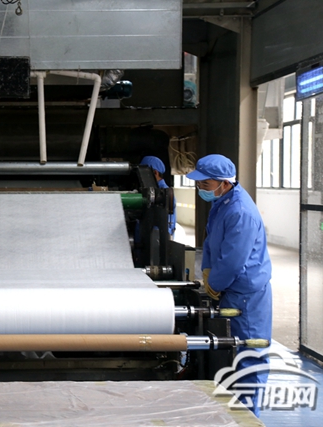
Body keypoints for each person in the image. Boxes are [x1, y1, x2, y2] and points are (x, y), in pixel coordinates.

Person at [187, 154, 272, 417]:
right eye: (199, 183)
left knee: (249, 354)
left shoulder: (240, 211)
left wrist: (215, 282)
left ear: (224, 183)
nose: (201, 188)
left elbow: (234, 260)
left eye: (206, 184)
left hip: (246, 294)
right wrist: (207, 270)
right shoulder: (222, 202)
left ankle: (249, 417)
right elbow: (212, 241)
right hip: (232, 289)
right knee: (231, 351)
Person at [139, 156, 176, 238]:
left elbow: (167, 222)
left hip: (157, 238)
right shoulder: (148, 189)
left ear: (155, 173)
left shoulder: (166, 192)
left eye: (144, 173)